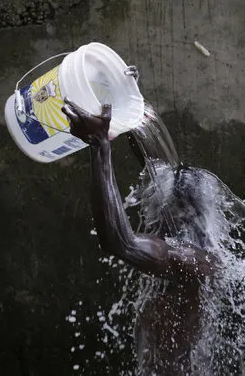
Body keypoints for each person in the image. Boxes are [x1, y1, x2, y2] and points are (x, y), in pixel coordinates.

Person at [62, 98, 215, 375]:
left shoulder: (192, 262)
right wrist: (125, 102)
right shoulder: (180, 232)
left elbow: (119, 243)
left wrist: (99, 145)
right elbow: (153, 165)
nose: (149, 196)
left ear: (181, 212)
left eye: (161, 199)